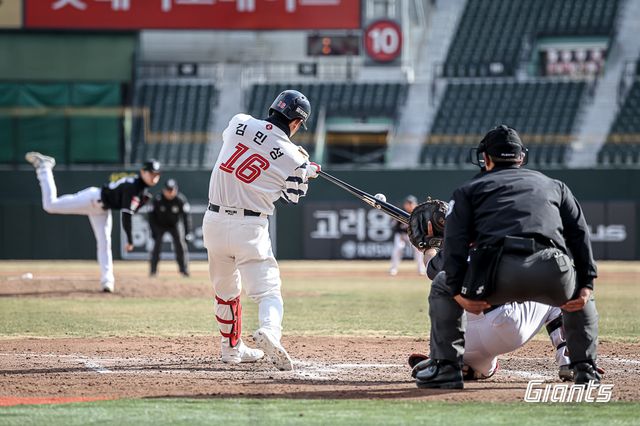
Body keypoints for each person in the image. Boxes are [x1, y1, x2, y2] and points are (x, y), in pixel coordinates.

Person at [414, 125, 599, 389]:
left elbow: (450, 257)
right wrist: (587, 284)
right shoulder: (555, 187)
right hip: (546, 272)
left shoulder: (468, 192)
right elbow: (580, 237)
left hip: (491, 287)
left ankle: (447, 367)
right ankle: (582, 367)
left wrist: (445, 273)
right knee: (574, 286)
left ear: (485, 158)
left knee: (444, 282)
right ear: (521, 157)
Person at [203, 90, 320, 370]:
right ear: (296, 123)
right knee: (268, 291)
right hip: (250, 227)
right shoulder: (295, 158)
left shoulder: (239, 121)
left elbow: (247, 144)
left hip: (213, 221)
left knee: (225, 292)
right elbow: (292, 196)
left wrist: (299, 164)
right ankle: (270, 331)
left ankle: (231, 349)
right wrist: (306, 170)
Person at [410, 246, 573, 382]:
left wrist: (428, 248)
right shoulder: (511, 231)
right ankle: (569, 360)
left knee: (443, 286)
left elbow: (432, 268)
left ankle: (452, 361)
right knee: (559, 284)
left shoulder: (458, 238)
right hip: (506, 325)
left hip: (461, 337)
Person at [25, 152, 161, 293]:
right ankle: (44, 168)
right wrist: (130, 240)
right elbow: (126, 215)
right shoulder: (133, 187)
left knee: (105, 243)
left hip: (102, 210)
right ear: (142, 172)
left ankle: (107, 281)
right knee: (50, 205)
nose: (154, 177)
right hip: (92, 199)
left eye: (157, 174)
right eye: (151, 173)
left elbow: (127, 208)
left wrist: (140, 204)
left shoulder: (140, 190)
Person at [148, 178, 192, 277]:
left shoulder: (180, 200)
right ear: (164, 190)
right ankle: (153, 271)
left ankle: (184, 270)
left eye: (172, 190)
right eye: (168, 190)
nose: (170, 192)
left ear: (176, 189)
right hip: (160, 225)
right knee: (156, 246)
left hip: (175, 225)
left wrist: (187, 233)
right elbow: (151, 218)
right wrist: (153, 231)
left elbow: (186, 218)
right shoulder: (157, 200)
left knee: (180, 245)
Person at [389, 195, 426, 276]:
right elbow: (393, 225)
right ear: (405, 204)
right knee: (398, 248)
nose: (410, 205)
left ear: (415, 204)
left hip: (413, 235)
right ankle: (393, 269)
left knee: (419, 250)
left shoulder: (418, 213)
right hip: (401, 235)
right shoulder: (400, 212)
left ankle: (421, 269)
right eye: (408, 203)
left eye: (411, 203)